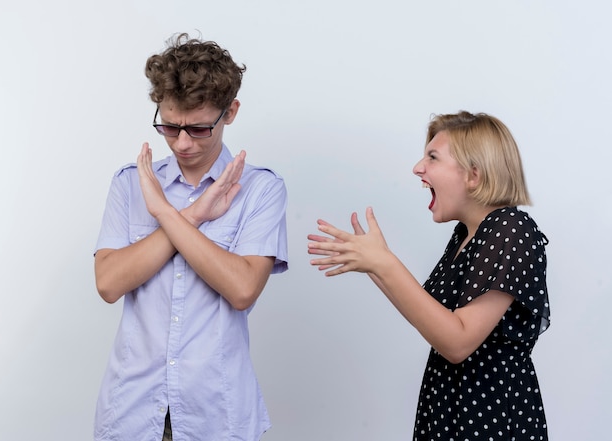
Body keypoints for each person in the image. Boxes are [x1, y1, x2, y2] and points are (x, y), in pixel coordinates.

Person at [307, 111, 550, 440]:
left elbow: (458, 341)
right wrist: (374, 264)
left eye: (432, 158)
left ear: (473, 175)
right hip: (449, 407)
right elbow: (432, 318)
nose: (418, 168)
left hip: (489, 417)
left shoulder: (510, 229)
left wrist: (385, 264)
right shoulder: (467, 233)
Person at [93, 33, 288, 441]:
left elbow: (241, 289)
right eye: (169, 127)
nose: (182, 143)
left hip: (216, 416)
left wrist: (165, 212)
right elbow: (109, 283)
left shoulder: (261, 189)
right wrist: (195, 215)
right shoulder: (132, 184)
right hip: (131, 412)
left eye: (198, 129)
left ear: (229, 112)